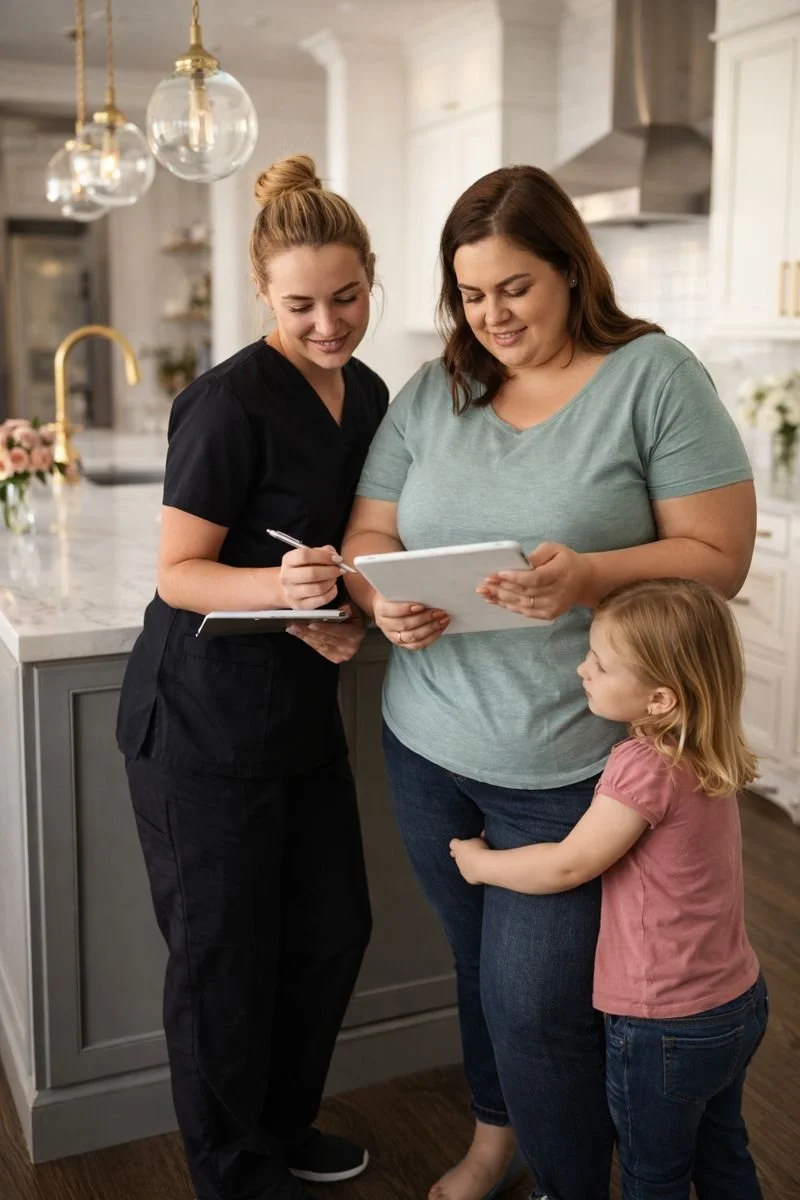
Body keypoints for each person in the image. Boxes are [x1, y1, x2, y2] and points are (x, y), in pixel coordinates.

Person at [342, 165, 756, 1200]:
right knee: (479, 969)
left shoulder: (652, 376)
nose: (490, 316)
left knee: (538, 1008)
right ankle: (495, 1139)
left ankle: (567, 1180)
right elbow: (370, 531)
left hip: (575, 765)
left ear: (570, 269)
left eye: (513, 289)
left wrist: (591, 576)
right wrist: (375, 597)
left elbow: (717, 556)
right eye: (470, 296)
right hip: (430, 746)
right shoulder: (434, 390)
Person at [116, 155, 388, 1200]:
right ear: (263, 296)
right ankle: (231, 1171)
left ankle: (276, 1128)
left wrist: (340, 604)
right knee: (223, 962)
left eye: (348, 296)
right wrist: (287, 595)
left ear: (372, 273)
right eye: (302, 305)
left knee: (328, 933)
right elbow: (179, 575)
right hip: (197, 726)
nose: (329, 324)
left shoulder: (366, 393)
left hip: (296, 717)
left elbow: (354, 543)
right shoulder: (225, 403)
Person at [450, 578, 768, 1200]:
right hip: (738, 1001)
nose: (581, 668)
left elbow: (571, 865)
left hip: (663, 1023)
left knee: (656, 1175)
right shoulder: (709, 752)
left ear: (658, 699)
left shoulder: (642, 766)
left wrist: (481, 864)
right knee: (724, 1149)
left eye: (599, 662)